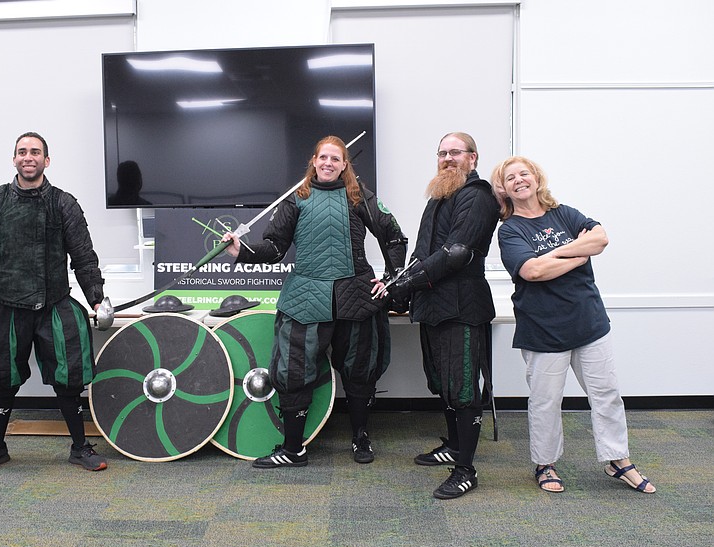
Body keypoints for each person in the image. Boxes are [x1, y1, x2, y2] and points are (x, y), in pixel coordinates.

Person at [222, 135, 407, 467]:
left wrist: (391, 279)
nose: (328, 163)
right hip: (305, 298)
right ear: (314, 160)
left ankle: (360, 437)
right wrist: (242, 250)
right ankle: (294, 449)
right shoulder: (297, 199)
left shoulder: (359, 197)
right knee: (293, 371)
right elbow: (274, 248)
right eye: (323, 157)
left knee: (360, 372)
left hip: (357, 297)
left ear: (344, 165)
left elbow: (394, 236)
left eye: (336, 159)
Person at [491, 155, 655, 494]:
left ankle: (617, 459)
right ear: (504, 189)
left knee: (606, 394)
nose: (519, 180)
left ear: (536, 178)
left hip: (589, 322)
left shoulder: (564, 213)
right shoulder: (510, 230)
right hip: (543, 330)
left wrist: (554, 256)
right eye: (510, 178)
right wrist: (578, 254)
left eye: (524, 173)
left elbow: (601, 240)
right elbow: (532, 272)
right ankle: (545, 463)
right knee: (545, 402)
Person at [0, 132, 108, 474]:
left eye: (35, 152)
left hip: (54, 305)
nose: (28, 157)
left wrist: (97, 299)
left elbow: (84, 257)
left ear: (46, 160)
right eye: (22, 152)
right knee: (1, 380)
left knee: (69, 380)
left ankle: (79, 447)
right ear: (14, 159)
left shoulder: (63, 203)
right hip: (6, 306)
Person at [387, 132, 498, 499]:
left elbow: (456, 252)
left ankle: (466, 469)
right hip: (433, 306)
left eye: (455, 152)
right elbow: (423, 253)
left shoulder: (478, 196)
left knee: (464, 388)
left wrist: (406, 283)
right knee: (443, 383)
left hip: (462, 307)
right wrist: (398, 284)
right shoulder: (439, 196)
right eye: (442, 153)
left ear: (473, 158)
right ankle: (453, 445)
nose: (447, 158)